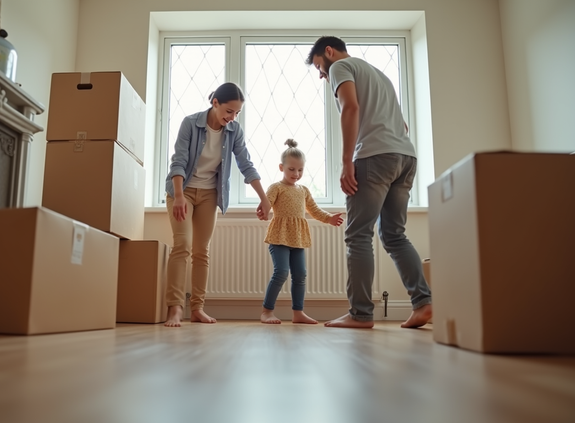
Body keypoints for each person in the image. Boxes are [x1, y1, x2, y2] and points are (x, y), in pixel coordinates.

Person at [306, 36, 432, 329]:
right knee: (394, 235)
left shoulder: (341, 67)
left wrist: (347, 160)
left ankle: (360, 314)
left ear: (328, 52)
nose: (322, 75)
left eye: (319, 68)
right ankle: (423, 304)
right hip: (405, 157)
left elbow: (350, 108)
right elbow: (403, 126)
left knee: (358, 235)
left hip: (374, 158)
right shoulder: (379, 75)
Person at [164, 82, 271, 327]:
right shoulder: (190, 123)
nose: (232, 117)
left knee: (202, 251)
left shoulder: (234, 131)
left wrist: (264, 199)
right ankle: (175, 309)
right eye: (229, 111)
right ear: (215, 103)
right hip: (182, 190)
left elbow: (246, 164)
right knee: (182, 245)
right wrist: (179, 196)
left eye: (237, 113)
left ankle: (198, 308)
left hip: (210, 193)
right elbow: (178, 161)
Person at [260, 139, 344, 325]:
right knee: (281, 272)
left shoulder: (303, 190)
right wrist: (263, 210)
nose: (296, 174)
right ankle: (267, 311)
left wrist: (329, 218)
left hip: (297, 238)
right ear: (281, 167)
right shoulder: (276, 187)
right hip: (279, 236)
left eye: (300, 170)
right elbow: (266, 203)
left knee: (300, 275)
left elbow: (314, 210)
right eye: (291, 169)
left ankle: (298, 312)